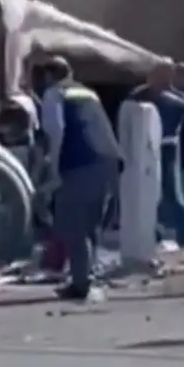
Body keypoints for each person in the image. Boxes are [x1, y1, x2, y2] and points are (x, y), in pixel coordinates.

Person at [38, 56, 122, 300]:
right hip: (107, 161)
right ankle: (86, 275)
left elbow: (56, 131)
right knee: (91, 225)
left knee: (72, 224)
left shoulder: (54, 94)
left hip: (79, 162)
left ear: (48, 77)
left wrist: (53, 171)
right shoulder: (88, 93)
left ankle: (80, 283)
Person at [127, 58, 184, 247]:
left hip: (167, 147)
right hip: (143, 147)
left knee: (172, 191)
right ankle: (151, 233)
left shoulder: (175, 95)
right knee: (145, 190)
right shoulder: (140, 94)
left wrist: (177, 101)